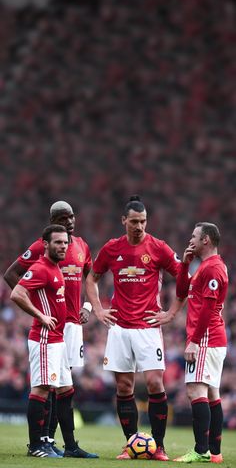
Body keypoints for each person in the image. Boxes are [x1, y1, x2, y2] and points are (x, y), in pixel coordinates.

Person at [86, 195, 183, 460]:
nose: (139, 226)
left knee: (154, 383)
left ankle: (159, 446)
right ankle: (131, 444)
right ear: (124, 221)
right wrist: (97, 309)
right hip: (119, 327)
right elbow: (92, 278)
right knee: (124, 388)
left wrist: (172, 312)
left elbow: (183, 277)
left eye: (143, 221)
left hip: (148, 327)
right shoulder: (111, 248)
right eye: (134, 221)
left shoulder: (158, 247)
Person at [4, 201, 97, 458]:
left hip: (70, 326)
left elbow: (91, 276)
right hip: (50, 327)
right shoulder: (42, 251)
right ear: (51, 222)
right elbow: (13, 277)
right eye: (61, 218)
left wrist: (88, 305)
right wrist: (38, 307)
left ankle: (66, 444)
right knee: (47, 386)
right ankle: (41, 441)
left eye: (70, 217)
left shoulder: (79, 248)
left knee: (65, 387)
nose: (68, 222)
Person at [157, 222, 228, 464]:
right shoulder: (203, 267)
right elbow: (182, 292)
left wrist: (195, 342)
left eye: (194, 237)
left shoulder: (213, 269)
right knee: (212, 394)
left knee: (195, 391)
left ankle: (201, 450)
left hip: (206, 338)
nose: (191, 240)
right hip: (212, 338)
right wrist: (185, 264)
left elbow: (208, 309)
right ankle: (215, 452)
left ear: (206, 240)